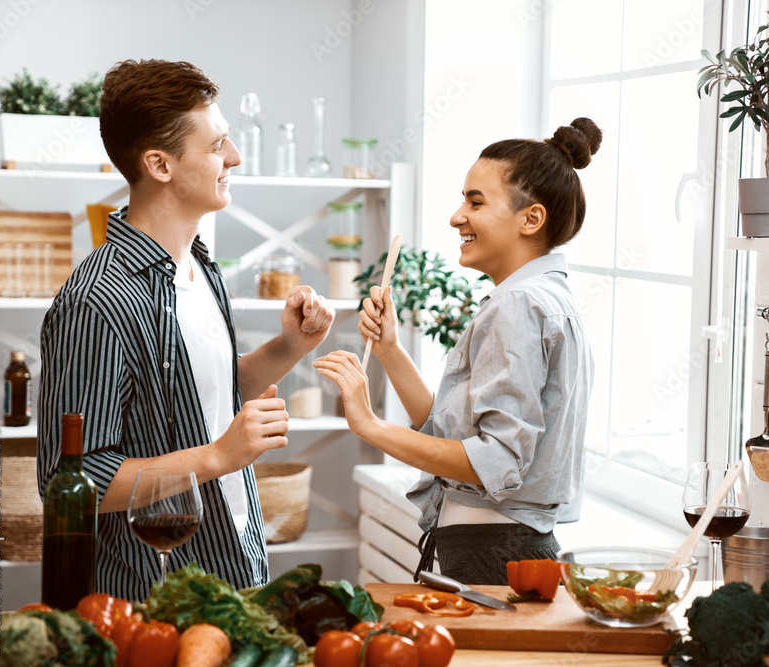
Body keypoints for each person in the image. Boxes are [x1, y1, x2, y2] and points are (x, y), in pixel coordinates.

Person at [37, 59, 334, 600]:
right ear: (160, 164)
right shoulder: (96, 301)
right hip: (153, 597)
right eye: (218, 145)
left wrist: (291, 346)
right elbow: (72, 483)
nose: (235, 158)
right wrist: (218, 456)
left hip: (236, 562)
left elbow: (197, 397)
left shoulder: (199, 267)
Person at [314, 118, 600, 584]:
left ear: (531, 219)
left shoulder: (518, 305)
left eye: (475, 202)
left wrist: (369, 424)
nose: (456, 217)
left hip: (492, 553)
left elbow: (495, 461)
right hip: (505, 548)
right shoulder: (544, 299)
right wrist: (389, 350)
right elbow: (454, 437)